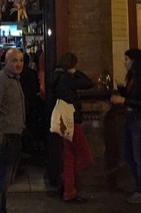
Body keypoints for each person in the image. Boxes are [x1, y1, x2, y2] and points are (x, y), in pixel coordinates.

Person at [49, 52, 94, 203]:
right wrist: (75, 72)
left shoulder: (55, 77)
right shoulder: (67, 79)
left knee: (69, 155)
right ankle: (65, 179)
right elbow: (88, 83)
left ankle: (69, 191)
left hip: (62, 119)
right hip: (71, 120)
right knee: (85, 155)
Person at [111, 48, 141, 204]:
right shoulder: (132, 78)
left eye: (127, 59)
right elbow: (132, 96)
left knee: (138, 156)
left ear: (135, 61)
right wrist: (121, 89)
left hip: (139, 120)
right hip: (131, 119)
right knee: (128, 154)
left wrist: (124, 101)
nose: (124, 62)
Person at [0, 48, 25, 213]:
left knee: (5, 180)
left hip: (14, 135)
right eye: (14, 60)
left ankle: (1, 209)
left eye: (21, 61)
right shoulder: (0, 80)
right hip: (5, 138)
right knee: (0, 180)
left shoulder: (15, 80)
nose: (18, 64)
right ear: (5, 62)